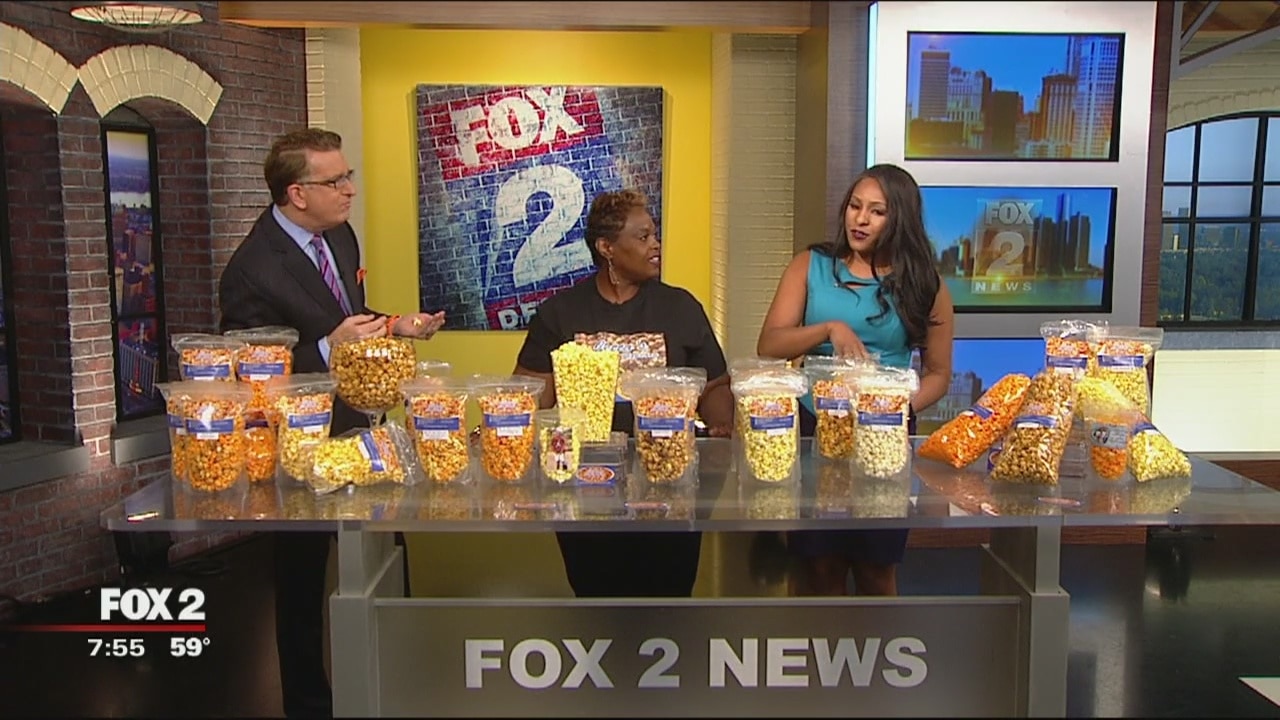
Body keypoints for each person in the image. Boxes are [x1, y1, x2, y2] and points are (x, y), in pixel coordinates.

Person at [218, 127, 445, 718]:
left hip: (360, 428)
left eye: (349, 176)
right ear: (297, 193)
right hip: (299, 444)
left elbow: (346, 315)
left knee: (384, 549)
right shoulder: (251, 269)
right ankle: (308, 703)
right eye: (336, 180)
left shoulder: (338, 235)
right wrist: (326, 349)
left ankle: (396, 678)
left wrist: (394, 325)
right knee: (301, 579)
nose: (349, 190)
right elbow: (249, 375)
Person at [513, 189, 734, 597]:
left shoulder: (680, 307)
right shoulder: (560, 313)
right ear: (607, 248)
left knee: (669, 595)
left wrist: (722, 427)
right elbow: (531, 393)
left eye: (655, 235)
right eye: (643, 237)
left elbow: (714, 385)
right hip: (586, 484)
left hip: (668, 480)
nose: (655, 245)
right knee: (596, 595)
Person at [756, 163, 954, 597]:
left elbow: (939, 374)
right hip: (815, 426)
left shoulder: (925, 284)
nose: (860, 220)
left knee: (875, 567)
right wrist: (828, 329)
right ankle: (815, 642)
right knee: (818, 565)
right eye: (854, 206)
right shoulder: (811, 265)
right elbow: (769, 343)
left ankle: (876, 643)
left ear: (899, 219)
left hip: (884, 434)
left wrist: (893, 410)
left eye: (876, 212)